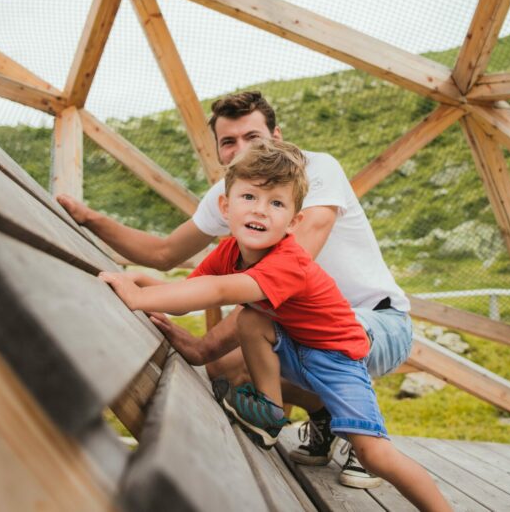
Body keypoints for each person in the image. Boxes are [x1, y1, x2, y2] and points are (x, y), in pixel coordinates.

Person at [57, 91, 412, 488]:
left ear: (277, 137)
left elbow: (275, 284)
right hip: (301, 327)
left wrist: (204, 345)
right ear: (220, 154)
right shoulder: (231, 195)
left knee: (233, 356)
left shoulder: (315, 171)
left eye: (253, 137)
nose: (241, 148)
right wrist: (91, 220)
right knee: (225, 371)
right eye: (229, 141)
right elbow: (163, 252)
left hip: (376, 325)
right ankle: (326, 417)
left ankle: (360, 433)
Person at [98, 141, 450, 512]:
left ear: (294, 221)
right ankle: (271, 411)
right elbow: (189, 290)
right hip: (296, 349)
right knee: (252, 318)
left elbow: (217, 290)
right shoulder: (230, 251)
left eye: (277, 203)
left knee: (374, 453)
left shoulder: (288, 261)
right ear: (225, 206)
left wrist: (137, 298)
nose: (261, 211)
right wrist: (136, 281)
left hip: (338, 358)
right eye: (249, 196)